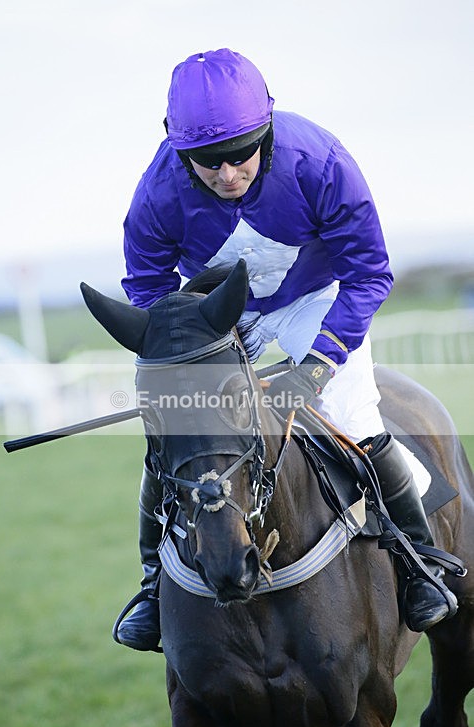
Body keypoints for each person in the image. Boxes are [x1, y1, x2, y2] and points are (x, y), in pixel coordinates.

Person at [116, 48, 456, 650]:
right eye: (206, 161)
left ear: (266, 127)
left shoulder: (321, 161)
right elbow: (149, 291)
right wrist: (183, 361)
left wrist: (319, 364)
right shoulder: (155, 195)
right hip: (223, 313)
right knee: (176, 435)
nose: (227, 174)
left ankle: (417, 558)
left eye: (241, 153)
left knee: (356, 417)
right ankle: (151, 582)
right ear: (175, 145)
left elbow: (369, 273)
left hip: (316, 300)